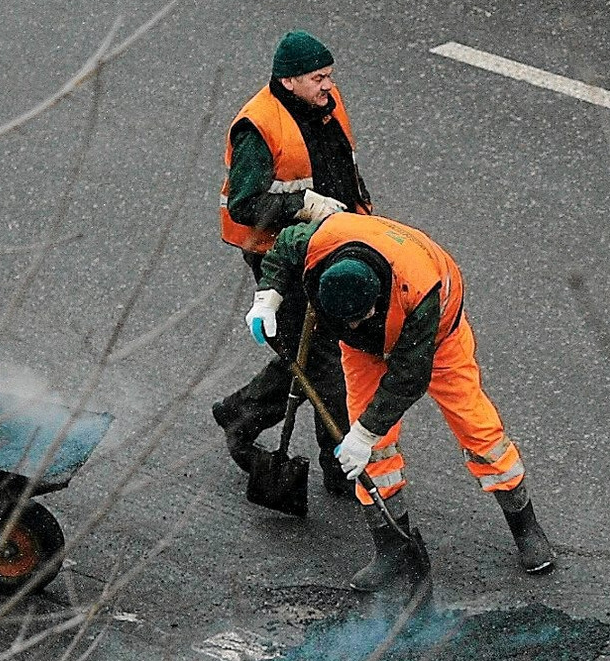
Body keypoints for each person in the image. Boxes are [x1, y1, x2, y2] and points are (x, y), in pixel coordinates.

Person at [246, 212, 555, 591]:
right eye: (349, 321)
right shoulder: (320, 243)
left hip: (438, 340)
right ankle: (393, 546)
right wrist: (267, 297)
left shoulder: (419, 288)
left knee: (479, 431)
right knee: (372, 453)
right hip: (364, 353)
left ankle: (525, 525)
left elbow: (409, 378)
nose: (357, 324)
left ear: (378, 292)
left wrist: (362, 434)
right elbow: (286, 244)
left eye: (363, 317)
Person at [213, 30, 372, 496]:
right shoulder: (258, 128)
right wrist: (305, 203)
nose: (329, 86)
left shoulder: (324, 103)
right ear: (289, 81)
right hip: (280, 258)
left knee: (311, 354)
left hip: (331, 244)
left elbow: (342, 165)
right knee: (327, 363)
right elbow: (246, 204)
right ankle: (340, 466)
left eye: (329, 76)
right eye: (318, 78)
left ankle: (241, 412)